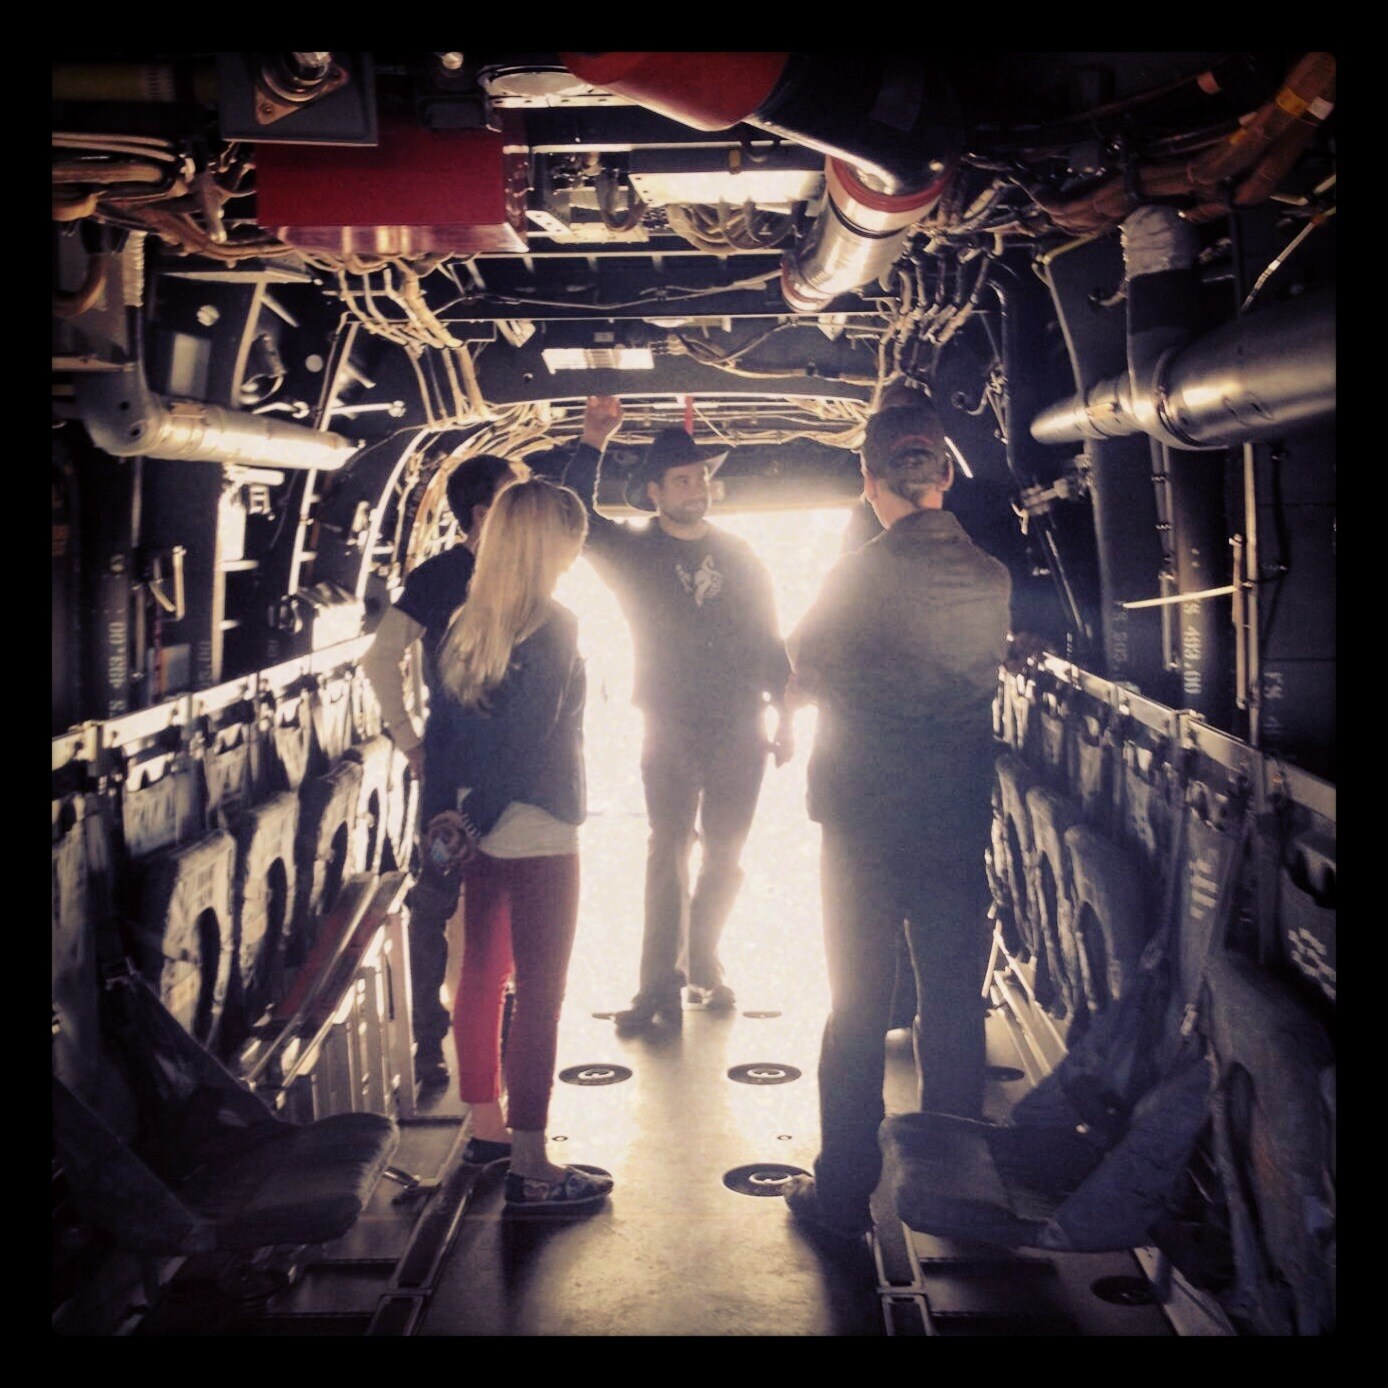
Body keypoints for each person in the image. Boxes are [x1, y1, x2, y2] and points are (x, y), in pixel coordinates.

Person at [779, 385, 1012, 1243]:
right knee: (952, 1001)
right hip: (953, 815)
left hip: (864, 821)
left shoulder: (857, 573)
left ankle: (843, 1192)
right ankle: (957, 1188)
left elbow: (800, 658)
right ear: (944, 477)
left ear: (871, 481)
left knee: (857, 1008)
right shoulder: (991, 575)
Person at [558, 397, 794, 1032]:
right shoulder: (633, 553)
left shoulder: (742, 556)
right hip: (667, 726)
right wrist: (592, 440)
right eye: (684, 481)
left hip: (741, 728)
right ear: (655, 492)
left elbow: (769, 642)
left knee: (725, 855)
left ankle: (704, 958)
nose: (699, 490)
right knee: (667, 849)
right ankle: (658, 986)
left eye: (703, 479)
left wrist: (788, 717)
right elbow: (571, 512)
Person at [417, 476, 614, 1211]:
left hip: (476, 833)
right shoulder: (554, 625)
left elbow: (441, 736)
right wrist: (485, 817)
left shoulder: (465, 621)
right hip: (534, 828)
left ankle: (488, 1130)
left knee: (478, 977)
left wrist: (446, 819)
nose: (573, 554)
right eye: (569, 540)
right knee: (539, 994)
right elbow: (530, 743)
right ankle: (532, 1166)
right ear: (547, 543)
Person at [362, 452, 520, 1088]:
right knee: (437, 902)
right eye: (514, 500)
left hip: (482, 771)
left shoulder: (517, 576)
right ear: (484, 513)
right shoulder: (441, 577)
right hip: (461, 773)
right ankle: (436, 1038)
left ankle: (481, 1033)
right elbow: (380, 660)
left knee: (478, 902)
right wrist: (409, 741)